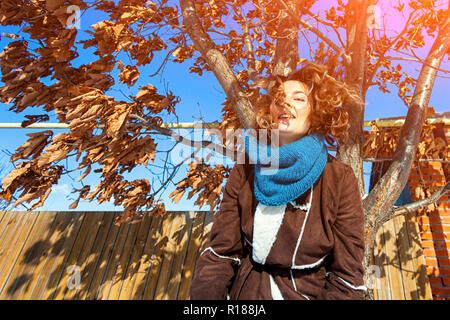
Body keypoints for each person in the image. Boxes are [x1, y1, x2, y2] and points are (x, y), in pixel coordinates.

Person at [189, 62, 367, 300]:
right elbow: (221, 253)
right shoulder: (246, 168)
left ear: (317, 112)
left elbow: (347, 280)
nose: (285, 103)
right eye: (279, 98)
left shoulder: (339, 178)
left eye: (299, 99)